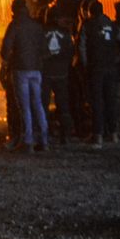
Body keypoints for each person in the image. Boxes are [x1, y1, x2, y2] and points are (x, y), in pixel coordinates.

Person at [1, 0, 49, 152]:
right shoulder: (36, 25)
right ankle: (44, 140)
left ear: (14, 9)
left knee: (25, 106)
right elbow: (45, 49)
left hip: (21, 69)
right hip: (36, 70)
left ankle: (27, 141)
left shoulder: (15, 25)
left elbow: (5, 49)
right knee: (38, 104)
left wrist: (8, 60)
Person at [79, 0, 120, 146]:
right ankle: (114, 134)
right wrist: (117, 58)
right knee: (111, 100)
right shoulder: (112, 25)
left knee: (97, 101)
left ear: (90, 12)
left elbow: (82, 47)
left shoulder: (87, 25)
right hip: (111, 67)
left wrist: (85, 64)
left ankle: (97, 135)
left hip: (95, 67)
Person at [41, 7, 75, 144]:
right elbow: (71, 51)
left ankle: (45, 134)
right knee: (63, 104)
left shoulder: (41, 32)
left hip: (46, 73)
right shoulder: (65, 33)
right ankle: (65, 135)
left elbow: (39, 50)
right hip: (61, 73)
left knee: (43, 104)